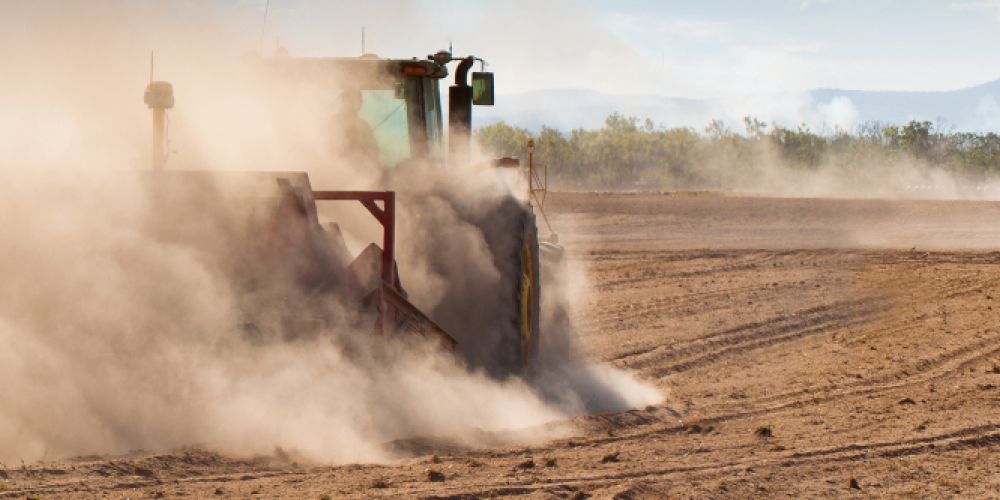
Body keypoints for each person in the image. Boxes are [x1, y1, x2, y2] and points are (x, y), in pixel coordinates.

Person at [335, 89, 380, 168]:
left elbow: (374, 152)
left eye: (359, 101)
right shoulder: (332, 124)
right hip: (336, 172)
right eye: (351, 101)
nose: (356, 105)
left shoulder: (365, 127)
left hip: (362, 173)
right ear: (343, 102)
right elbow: (325, 152)